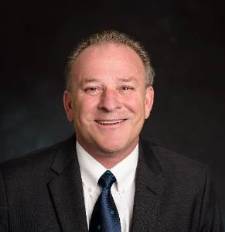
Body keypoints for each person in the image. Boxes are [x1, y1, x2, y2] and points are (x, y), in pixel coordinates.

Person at [0, 30, 223, 232]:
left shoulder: (193, 185)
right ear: (69, 105)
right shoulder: (11, 187)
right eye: (92, 88)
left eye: (125, 87)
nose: (109, 104)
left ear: (147, 102)